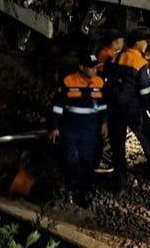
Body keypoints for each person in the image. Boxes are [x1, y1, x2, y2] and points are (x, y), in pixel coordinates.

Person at [105, 29, 150, 193]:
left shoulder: (116, 57)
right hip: (133, 110)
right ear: (139, 43)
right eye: (145, 42)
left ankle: (120, 183)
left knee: (118, 147)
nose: (146, 44)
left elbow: (109, 84)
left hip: (114, 110)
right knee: (149, 139)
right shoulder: (140, 63)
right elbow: (145, 93)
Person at [47, 53, 106, 207]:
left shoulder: (99, 82)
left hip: (90, 132)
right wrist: (54, 127)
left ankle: (85, 193)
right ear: (81, 67)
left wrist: (104, 123)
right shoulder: (68, 81)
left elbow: (103, 106)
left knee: (88, 163)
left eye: (96, 67)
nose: (94, 70)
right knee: (71, 160)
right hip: (70, 131)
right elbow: (57, 106)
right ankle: (70, 191)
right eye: (91, 67)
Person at [94, 29, 124, 174]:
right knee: (104, 126)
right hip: (102, 94)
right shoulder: (107, 55)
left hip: (100, 93)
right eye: (121, 40)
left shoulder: (104, 52)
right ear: (115, 42)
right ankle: (102, 158)